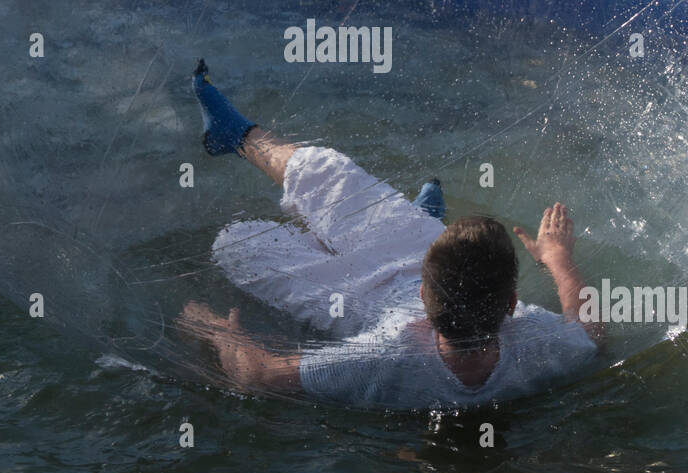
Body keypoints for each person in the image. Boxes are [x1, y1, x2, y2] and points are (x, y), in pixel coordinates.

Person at [178, 60, 605, 410]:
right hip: (418, 253)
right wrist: (558, 257)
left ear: (423, 295)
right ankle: (234, 136)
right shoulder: (538, 343)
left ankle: (241, 141)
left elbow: (257, 377)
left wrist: (218, 332)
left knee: (237, 243)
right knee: (329, 178)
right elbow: (589, 331)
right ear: (512, 305)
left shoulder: (384, 356)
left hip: (356, 296)